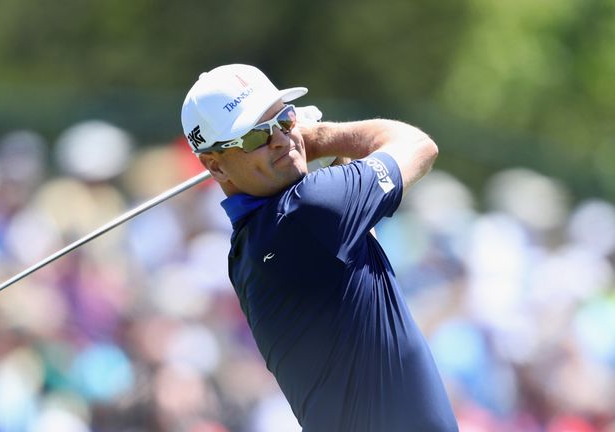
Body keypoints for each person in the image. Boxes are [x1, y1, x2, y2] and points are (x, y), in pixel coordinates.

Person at [180, 64, 459, 431]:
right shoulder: (310, 208)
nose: (280, 139)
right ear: (215, 167)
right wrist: (320, 138)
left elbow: (360, 241)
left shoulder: (245, 250)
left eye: (284, 120)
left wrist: (316, 155)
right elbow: (418, 145)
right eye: (255, 138)